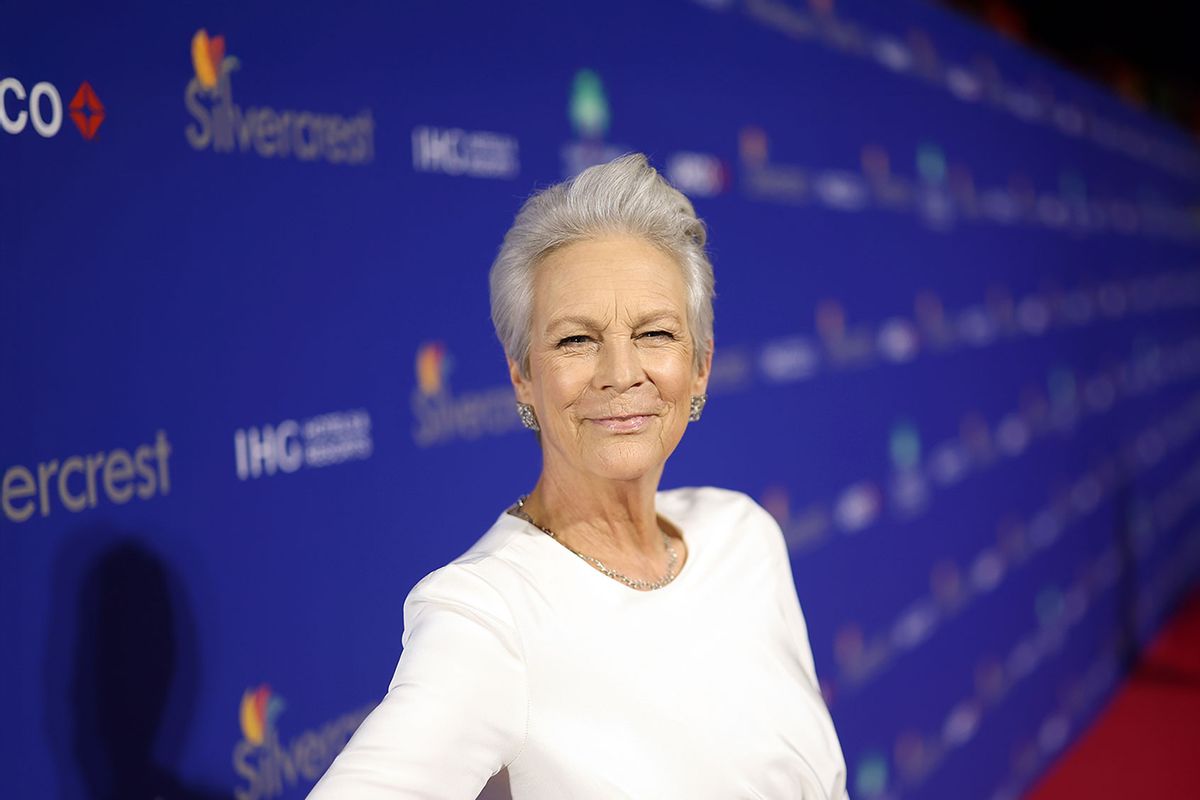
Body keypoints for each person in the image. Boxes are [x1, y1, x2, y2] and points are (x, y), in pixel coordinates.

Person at [307, 153, 849, 799]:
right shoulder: (488, 615)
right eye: (575, 341)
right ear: (522, 376)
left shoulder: (744, 534)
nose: (621, 373)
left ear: (699, 367)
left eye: (654, 332)